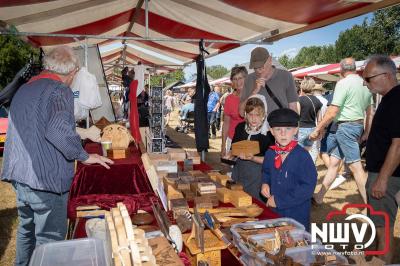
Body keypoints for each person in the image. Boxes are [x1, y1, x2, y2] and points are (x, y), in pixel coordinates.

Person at [0, 46, 113, 266]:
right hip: (45, 182)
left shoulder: (24, 89)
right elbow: (57, 131)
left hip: (20, 176)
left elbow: (39, 126)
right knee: (50, 241)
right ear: (72, 72)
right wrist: (84, 156)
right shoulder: (60, 90)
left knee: (27, 231)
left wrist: (80, 133)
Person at [310, 58, 374, 205]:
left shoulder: (343, 83)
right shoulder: (365, 83)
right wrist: (366, 133)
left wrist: (318, 129)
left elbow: (333, 111)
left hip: (345, 127)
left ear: (341, 70)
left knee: (356, 168)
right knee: (333, 163)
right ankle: (319, 197)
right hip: (356, 127)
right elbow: (370, 112)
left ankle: (372, 210)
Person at [363, 55, 399, 263]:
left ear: (386, 75)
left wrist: (383, 179)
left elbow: (399, 143)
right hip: (387, 174)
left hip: (388, 177)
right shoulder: (391, 98)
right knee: (380, 227)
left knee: (383, 229)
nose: (366, 83)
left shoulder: (395, 99)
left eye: (369, 78)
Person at [261, 108, 317, 231]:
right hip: (275, 214)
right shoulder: (270, 153)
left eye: (288, 129)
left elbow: (307, 187)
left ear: (296, 130)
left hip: (296, 215)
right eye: (278, 129)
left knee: (296, 246)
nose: (283, 133)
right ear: (271, 131)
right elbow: (266, 171)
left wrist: (279, 201)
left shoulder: (302, 156)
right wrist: (265, 183)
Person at [230, 96, 274, 201]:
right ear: (246, 114)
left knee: (254, 202)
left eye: (257, 115)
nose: (254, 118)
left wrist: (253, 158)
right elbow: (234, 148)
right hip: (239, 170)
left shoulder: (269, 133)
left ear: (263, 114)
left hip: (258, 175)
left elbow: (271, 160)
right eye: (250, 114)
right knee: (237, 198)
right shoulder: (241, 127)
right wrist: (230, 155)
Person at [239, 47, 299, 117]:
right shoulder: (248, 79)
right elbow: (241, 113)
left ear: (270, 60)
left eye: (261, 67)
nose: (258, 71)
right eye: (255, 68)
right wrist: (254, 92)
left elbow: (293, 108)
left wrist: (296, 127)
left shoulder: (286, 76)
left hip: (279, 126)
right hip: (256, 127)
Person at [221, 66, 247, 156]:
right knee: (231, 168)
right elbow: (226, 123)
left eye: (240, 78)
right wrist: (223, 145)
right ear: (232, 82)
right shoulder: (229, 99)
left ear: (246, 78)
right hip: (232, 140)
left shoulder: (253, 96)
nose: (238, 82)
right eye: (235, 79)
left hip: (249, 141)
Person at [298, 78, 323, 163]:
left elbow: (296, 117)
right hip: (313, 129)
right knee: (309, 153)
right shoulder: (317, 101)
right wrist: (320, 131)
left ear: (302, 87)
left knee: (297, 154)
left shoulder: (299, 100)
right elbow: (319, 119)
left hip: (300, 129)